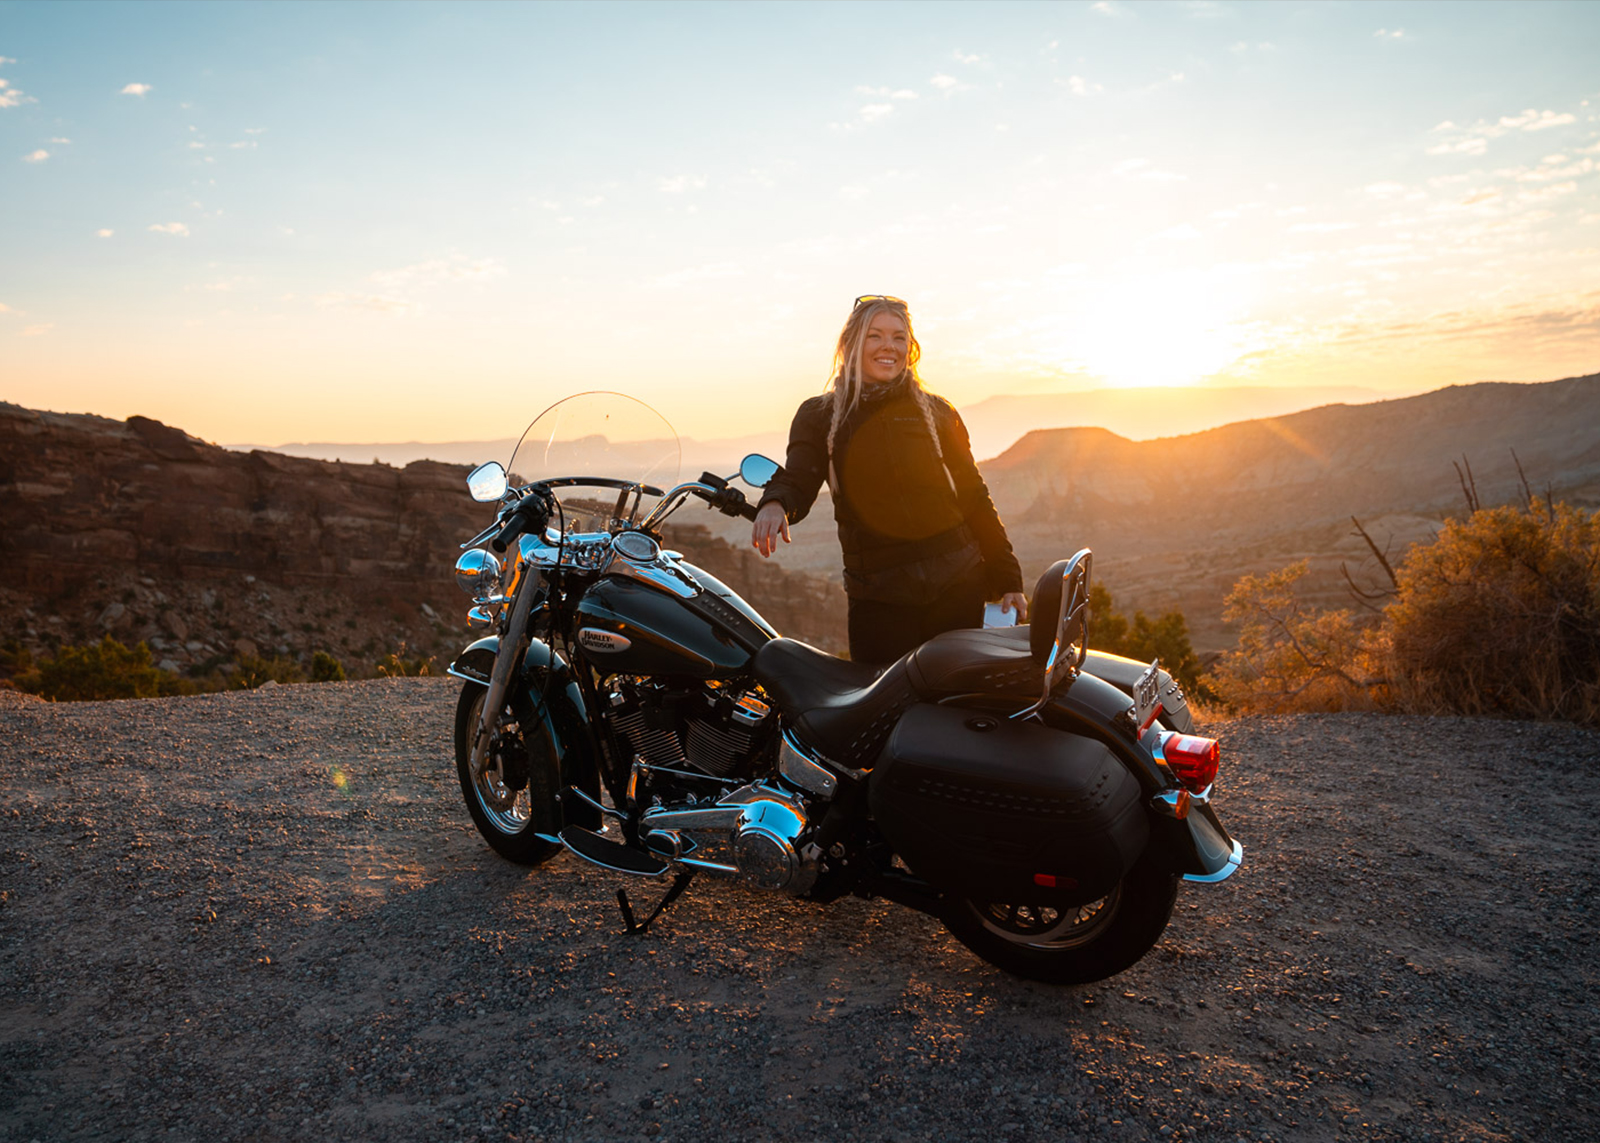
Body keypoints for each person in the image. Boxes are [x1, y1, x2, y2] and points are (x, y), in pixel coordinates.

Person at [751, 295, 1027, 666]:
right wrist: (775, 502)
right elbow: (799, 478)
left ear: (910, 348)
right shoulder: (819, 415)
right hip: (878, 598)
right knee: (881, 712)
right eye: (875, 336)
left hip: (957, 586)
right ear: (850, 344)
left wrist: (1008, 578)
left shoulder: (938, 412)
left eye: (899, 338)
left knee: (953, 708)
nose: (888, 347)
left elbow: (974, 496)